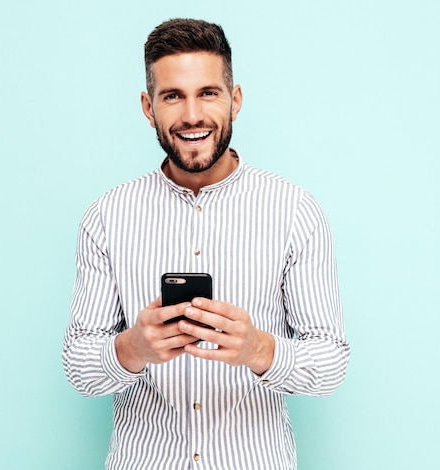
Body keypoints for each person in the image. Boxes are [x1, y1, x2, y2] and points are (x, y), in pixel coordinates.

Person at [63, 18, 349, 470]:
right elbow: (79, 366)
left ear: (234, 100)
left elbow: (330, 362)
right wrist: (132, 349)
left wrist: (258, 348)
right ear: (148, 106)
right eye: (172, 96)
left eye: (208, 93)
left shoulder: (295, 210)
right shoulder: (106, 216)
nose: (192, 115)